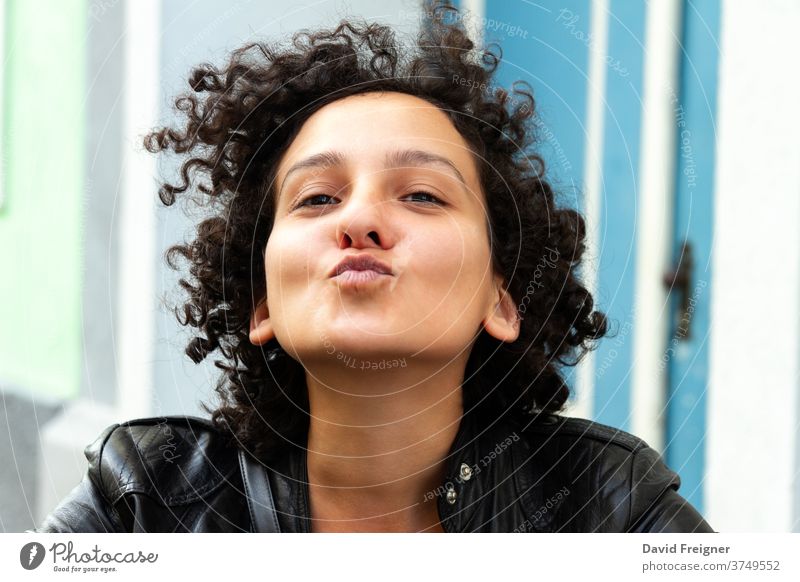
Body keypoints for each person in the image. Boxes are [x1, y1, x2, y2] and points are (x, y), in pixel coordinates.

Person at [34, 1, 713, 533]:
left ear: (500, 301)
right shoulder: (144, 498)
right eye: (317, 198)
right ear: (262, 306)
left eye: (422, 194)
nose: (357, 222)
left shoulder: (610, 505)